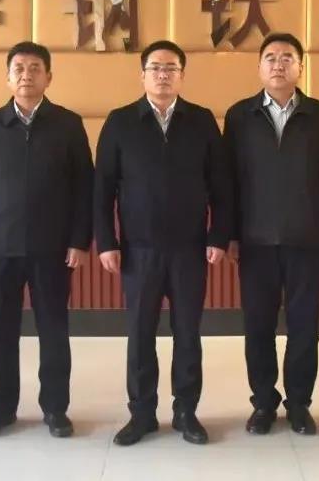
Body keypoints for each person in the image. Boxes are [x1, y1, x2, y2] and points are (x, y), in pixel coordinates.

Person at [94, 40, 232, 446]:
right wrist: (106, 241)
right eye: (155, 67)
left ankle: (186, 412)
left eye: (171, 68)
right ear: (142, 75)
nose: (163, 74)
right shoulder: (121, 122)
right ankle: (141, 414)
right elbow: (102, 189)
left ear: (182, 76)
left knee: (187, 333)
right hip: (138, 250)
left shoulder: (201, 121)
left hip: (190, 249)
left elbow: (221, 185)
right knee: (140, 334)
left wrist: (219, 235)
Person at [0, 42, 93, 438]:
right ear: (8, 77)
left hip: (52, 249)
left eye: (35, 68)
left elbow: (84, 187)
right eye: (18, 68)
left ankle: (55, 408)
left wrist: (79, 240)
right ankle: (1, 408)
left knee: (54, 331)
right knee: (1, 331)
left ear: (48, 77)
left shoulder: (68, 124)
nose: (26, 75)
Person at [223, 33, 319, 436]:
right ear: (259, 67)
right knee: (257, 327)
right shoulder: (239, 116)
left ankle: (299, 404)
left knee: (304, 327)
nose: (279, 64)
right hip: (254, 241)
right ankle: (263, 403)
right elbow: (228, 183)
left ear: (300, 67)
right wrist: (229, 234)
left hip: (305, 240)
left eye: (287, 58)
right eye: (271, 57)